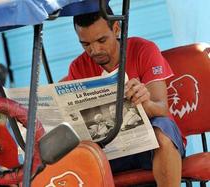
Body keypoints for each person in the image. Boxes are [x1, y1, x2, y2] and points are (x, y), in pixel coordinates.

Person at [65, 7, 185, 187]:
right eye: (86, 44)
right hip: (109, 151)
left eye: (101, 40)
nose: (95, 50)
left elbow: (161, 108)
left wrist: (145, 103)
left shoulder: (144, 49)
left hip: (149, 145)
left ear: (116, 29)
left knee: (163, 128)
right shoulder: (77, 67)